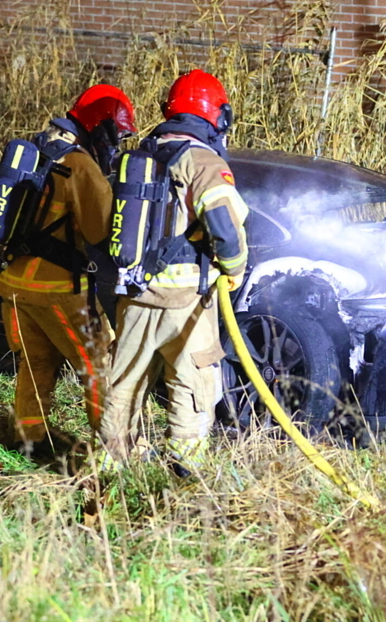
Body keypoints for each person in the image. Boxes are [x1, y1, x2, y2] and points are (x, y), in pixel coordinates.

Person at [99, 69, 248, 474]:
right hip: (187, 304)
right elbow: (224, 227)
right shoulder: (204, 161)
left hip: (133, 295)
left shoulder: (138, 158)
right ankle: (185, 473)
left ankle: (114, 467)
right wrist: (233, 269)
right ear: (216, 116)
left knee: (124, 384)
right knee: (193, 384)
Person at [0, 84, 136, 458]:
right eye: (117, 135)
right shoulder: (81, 166)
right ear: (101, 128)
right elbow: (99, 231)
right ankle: (113, 448)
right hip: (57, 287)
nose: (117, 144)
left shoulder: (36, 148)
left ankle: (29, 439)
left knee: (35, 361)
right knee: (99, 364)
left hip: (11, 283)